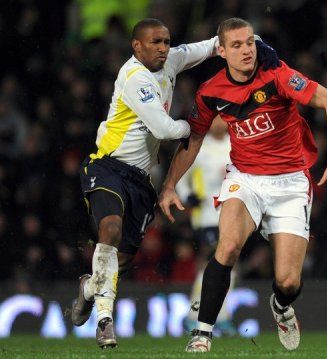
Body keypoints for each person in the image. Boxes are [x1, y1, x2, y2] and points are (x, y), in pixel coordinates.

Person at [70, 18, 279, 349]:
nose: (163, 48)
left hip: (141, 179)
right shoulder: (134, 77)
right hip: (108, 165)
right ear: (136, 46)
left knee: (120, 261)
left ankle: (88, 288)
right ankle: (105, 321)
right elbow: (165, 130)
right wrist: (198, 125)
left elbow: (211, 45)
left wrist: (252, 42)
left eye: (167, 42)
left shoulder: (171, 59)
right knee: (109, 229)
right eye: (155, 42)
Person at [158, 17, 327, 353]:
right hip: (245, 178)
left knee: (288, 281)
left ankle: (281, 306)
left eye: (249, 42)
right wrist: (170, 184)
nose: (246, 50)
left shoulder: (278, 76)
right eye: (236, 45)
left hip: (291, 182)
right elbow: (193, 139)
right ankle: (202, 332)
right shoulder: (211, 92)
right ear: (221, 51)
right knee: (229, 245)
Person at [175, 116, 237, 336]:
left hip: (235, 213)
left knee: (230, 265)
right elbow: (181, 175)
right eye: (215, 118)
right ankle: (194, 316)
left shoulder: (237, 142)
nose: (219, 122)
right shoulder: (199, 147)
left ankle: (222, 316)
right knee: (212, 263)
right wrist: (187, 195)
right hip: (208, 215)